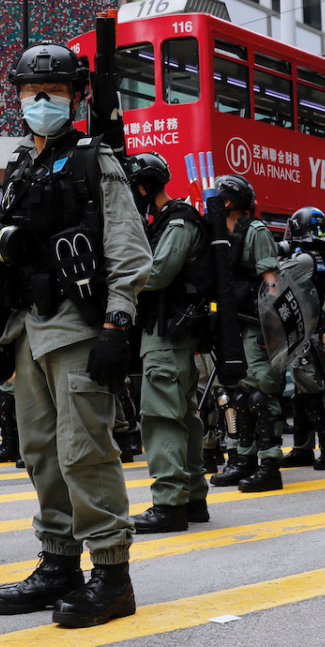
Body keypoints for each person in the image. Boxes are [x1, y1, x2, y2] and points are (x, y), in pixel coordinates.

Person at [0, 43, 151, 628]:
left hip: (78, 328)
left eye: (50, 92)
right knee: (40, 454)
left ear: (78, 97)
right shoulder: (20, 165)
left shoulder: (93, 160)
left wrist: (117, 324)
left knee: (85, 452)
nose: (38, 101)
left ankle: (111, 572)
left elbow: (128, 252)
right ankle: (58, 562)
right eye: (28, 92)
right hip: (27, 328)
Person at [126, 151, 211, 533]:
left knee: (161, 418)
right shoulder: (163, 221)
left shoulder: (177, 222)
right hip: (169, 335)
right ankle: (191, 498)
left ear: (144, 187)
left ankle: (169, 503)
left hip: (167, 335)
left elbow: (157, 274)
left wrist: (116, 276)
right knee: (183, 417)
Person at [204, 174, 288, 493]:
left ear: (228, 202)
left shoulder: (255, 231)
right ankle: (244, 458)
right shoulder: (218, 233)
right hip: (230, 325)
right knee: (236, 393)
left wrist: (272, 327)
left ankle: (269, 465)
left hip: (254, 324)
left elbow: (271, 281)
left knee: (261, 391)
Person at [279, 206, 325, 471]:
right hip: (318, 333)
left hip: (308, 335)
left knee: (313, 393)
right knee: (304, 393)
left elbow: (277, 278)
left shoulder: (303, 259)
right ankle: (302, 448)